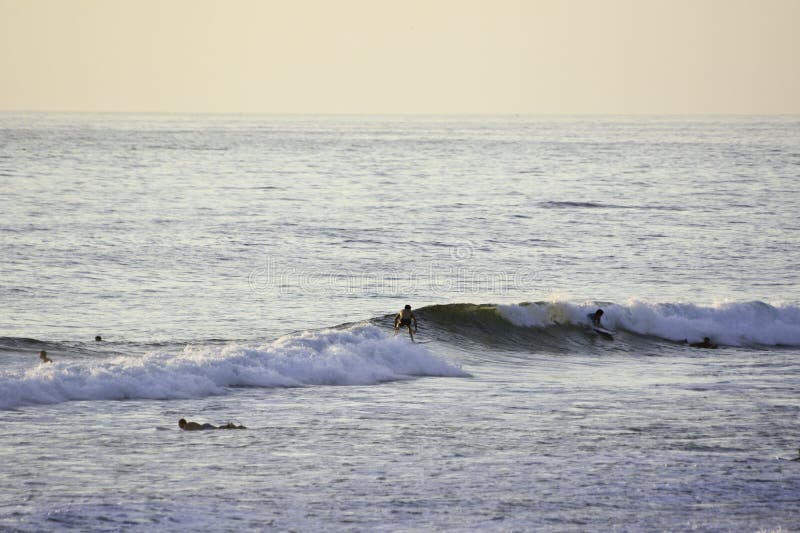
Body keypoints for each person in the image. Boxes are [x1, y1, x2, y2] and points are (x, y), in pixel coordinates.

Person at [178, 418, 246, 430]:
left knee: (218, 429)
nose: (179, 426)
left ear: (181, 423)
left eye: (179, 424)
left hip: (205, 428)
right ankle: (229, 426)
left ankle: (231, 426)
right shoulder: (189, 423)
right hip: (205, 426)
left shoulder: (186, 427)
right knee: (218, 428)